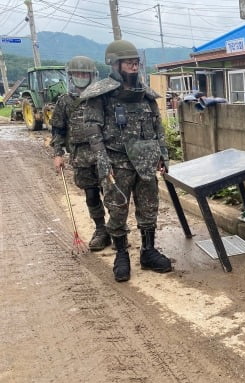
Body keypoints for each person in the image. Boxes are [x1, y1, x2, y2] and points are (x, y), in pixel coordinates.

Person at [81, 39, 172, 282]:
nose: (133, 65)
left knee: (149, 207)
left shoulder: (146, 95)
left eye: (135, 62)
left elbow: (157, 126)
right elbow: (93, 129)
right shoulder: (101, 95)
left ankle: (148, 251)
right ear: (114, 64)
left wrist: (163, 154)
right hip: (117, 162)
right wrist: (102, 160)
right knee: (118, 209)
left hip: (145, 162)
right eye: (128, 62)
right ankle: (121, 254)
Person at [51, 56, 111, 251]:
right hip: (81, 156)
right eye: (77, 74)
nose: (81, 77)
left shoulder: (102, 97)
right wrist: (58, 153)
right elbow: (58, 129)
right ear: (70, 76)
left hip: (103, 154)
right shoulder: (65, 101)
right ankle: (101, 230)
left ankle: (117, 229)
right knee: (92, 194)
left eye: (84, 74)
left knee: (112, 194)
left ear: (92, 76)